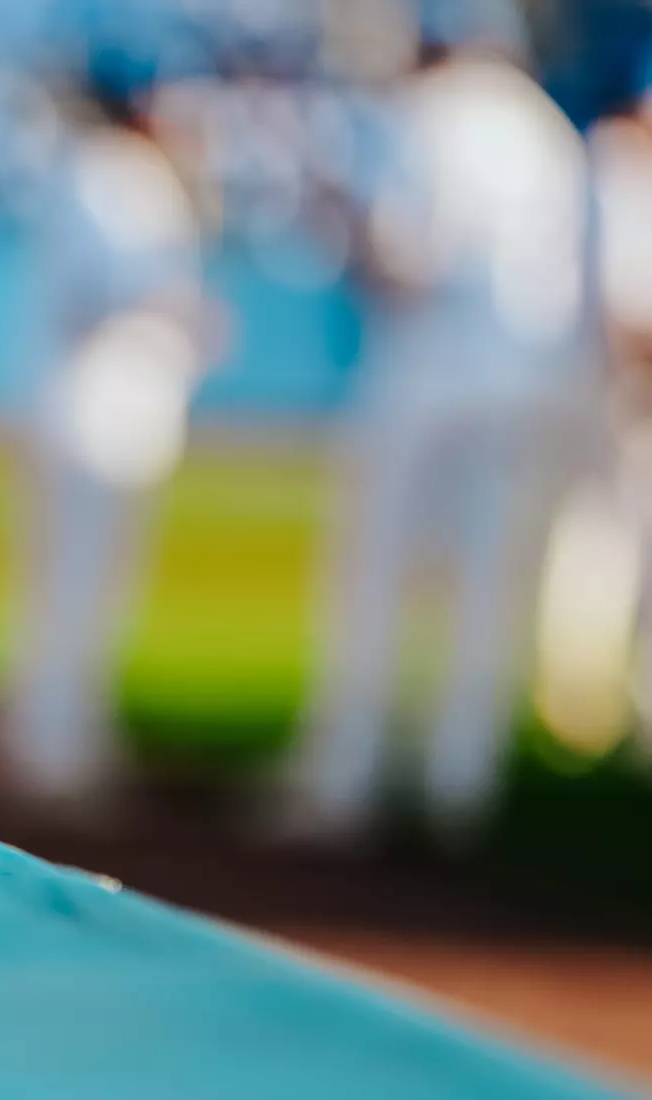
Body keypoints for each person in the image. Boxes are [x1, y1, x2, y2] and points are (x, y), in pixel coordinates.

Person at [290, 0, 592, 839]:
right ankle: (460, 785)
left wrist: (340, 220)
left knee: (379, 579)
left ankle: (346, 778)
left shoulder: (420, 116)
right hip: (526, 380)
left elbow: (401, 262)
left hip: (425, 374)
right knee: (488, 591)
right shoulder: (547, 129)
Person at [0, 80, 207, 807]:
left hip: (105, 410)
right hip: (94, 412)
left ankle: (57, 740)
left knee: (81, 590)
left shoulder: (121, 173)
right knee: (75, 588)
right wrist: (182, 311)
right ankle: (51, 753)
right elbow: (101, 289)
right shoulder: (111, 172)